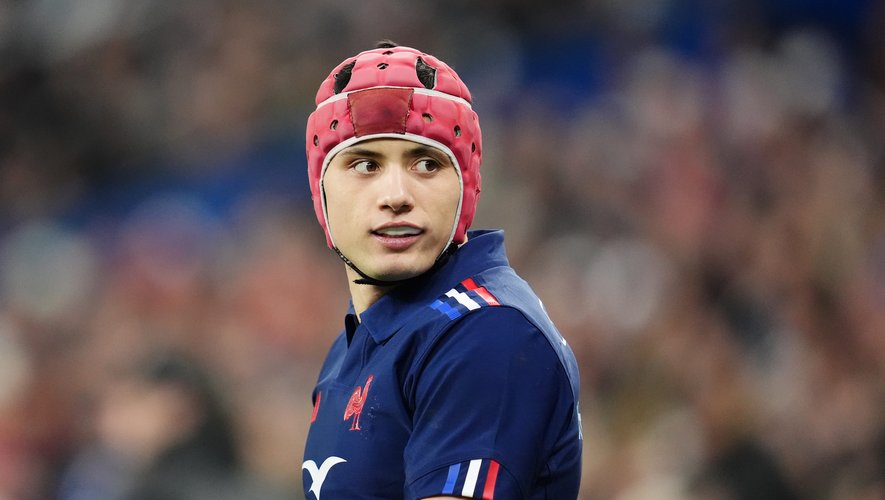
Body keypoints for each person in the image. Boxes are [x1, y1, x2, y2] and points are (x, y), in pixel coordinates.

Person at [301, 40, 582, 499]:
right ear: (321, 191)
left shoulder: (488, 332)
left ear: (467, 186)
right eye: (366, 164)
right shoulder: (358, 341)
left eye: (427, 163)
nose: (396, 195)